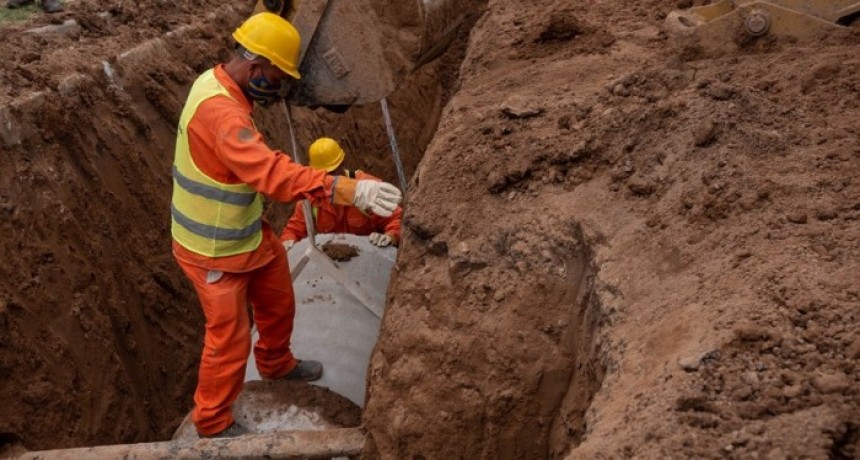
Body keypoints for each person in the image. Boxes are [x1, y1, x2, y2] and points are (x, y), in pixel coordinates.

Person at [170, 12, 401, 438]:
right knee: (229, 337)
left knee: (278, 298)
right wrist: (345, 190)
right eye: (278, 75)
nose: (279, 85)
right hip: (213, 249)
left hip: (247, 236)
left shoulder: (218, 83)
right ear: (256, 65)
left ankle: (276, 364)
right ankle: (212, 422)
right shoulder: (223, 115)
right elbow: (273, 175)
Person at [280, 137, 403, 250]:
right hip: (332, 266)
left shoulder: (367, 190)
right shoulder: (309, 201)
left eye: (334, 172)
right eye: (325, 175)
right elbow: (293, 230)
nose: (331, 179)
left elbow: (397, 219)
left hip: (370, 259)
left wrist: (390, 237)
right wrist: (288, 241)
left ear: (343, 164)